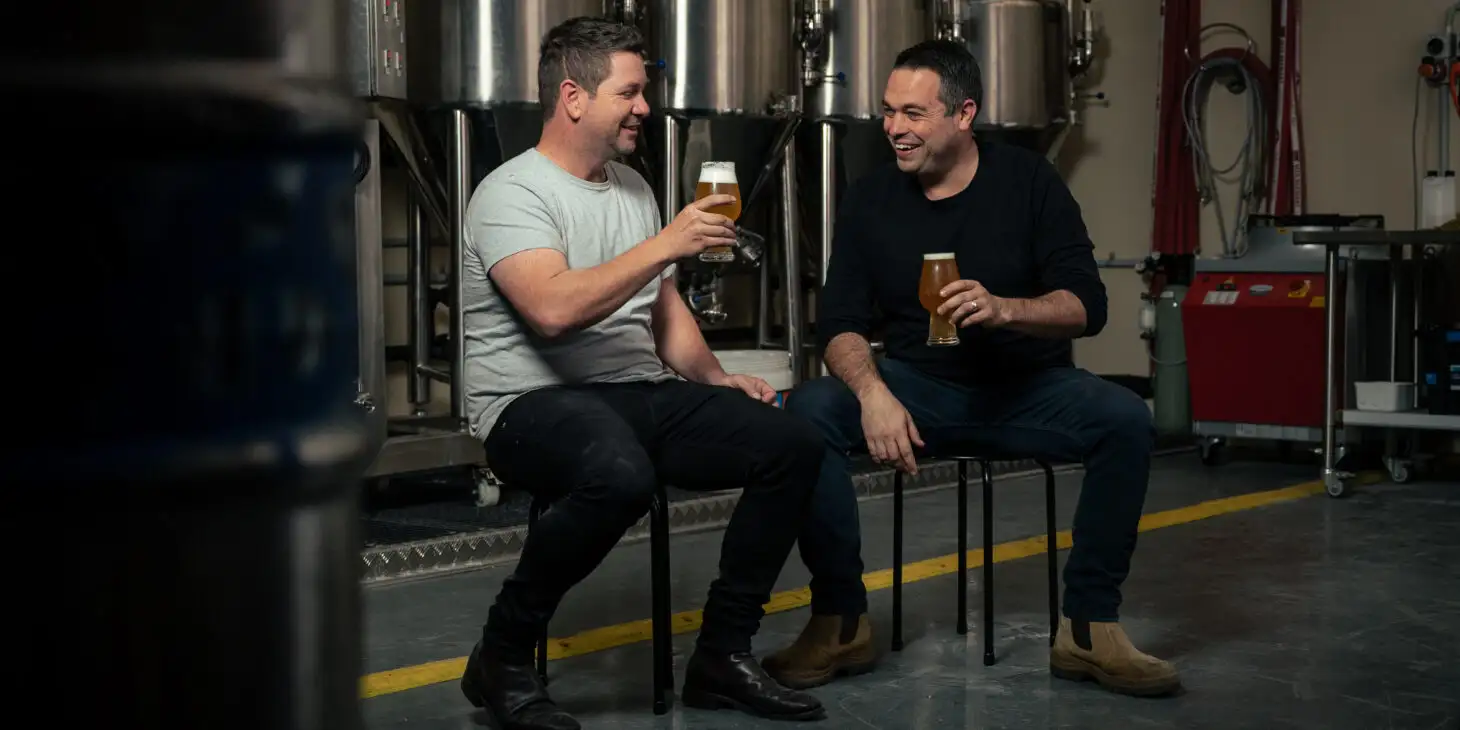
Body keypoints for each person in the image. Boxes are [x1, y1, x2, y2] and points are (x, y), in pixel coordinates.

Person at [767, 39, 1183, 698]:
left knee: (1126, 420)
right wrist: (872, 393)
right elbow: (839, 322)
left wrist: (1005, 307)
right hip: (915, 388)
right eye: (887, 111)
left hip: (1026, 389)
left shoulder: (1028, 181)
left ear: (964, 114)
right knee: (811, 413)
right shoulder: (872, 198)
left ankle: (1088, 626)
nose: (894, 129)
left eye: (913, 113)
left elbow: (1088, 305)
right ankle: (841, 618)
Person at [455, 16, 827, 729]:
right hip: (531, 404)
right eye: (629, 92)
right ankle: (501, 655)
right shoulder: (512, 193)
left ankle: (723, 654)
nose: (644, 108)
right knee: (619, 475)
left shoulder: (632, 186)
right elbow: (554, 311)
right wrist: (665, 244)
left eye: (643, 93)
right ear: (573, 96)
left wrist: (716, 381)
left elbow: (664, 313)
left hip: (639, 393)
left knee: (793, 443)